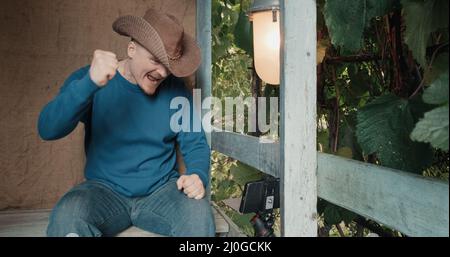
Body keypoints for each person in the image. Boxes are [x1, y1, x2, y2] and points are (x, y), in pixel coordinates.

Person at [38, 8, 214, 237]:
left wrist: (198, 175)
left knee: (198, 214)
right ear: (131, 49)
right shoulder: (91, 79)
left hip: (161, 193)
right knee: (68, 215)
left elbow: (196, 144)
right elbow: (47, 129)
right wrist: (89, 84)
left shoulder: (176, 92)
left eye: (168, 66)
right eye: (154, 60)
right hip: (103, 192)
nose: (161, 72)